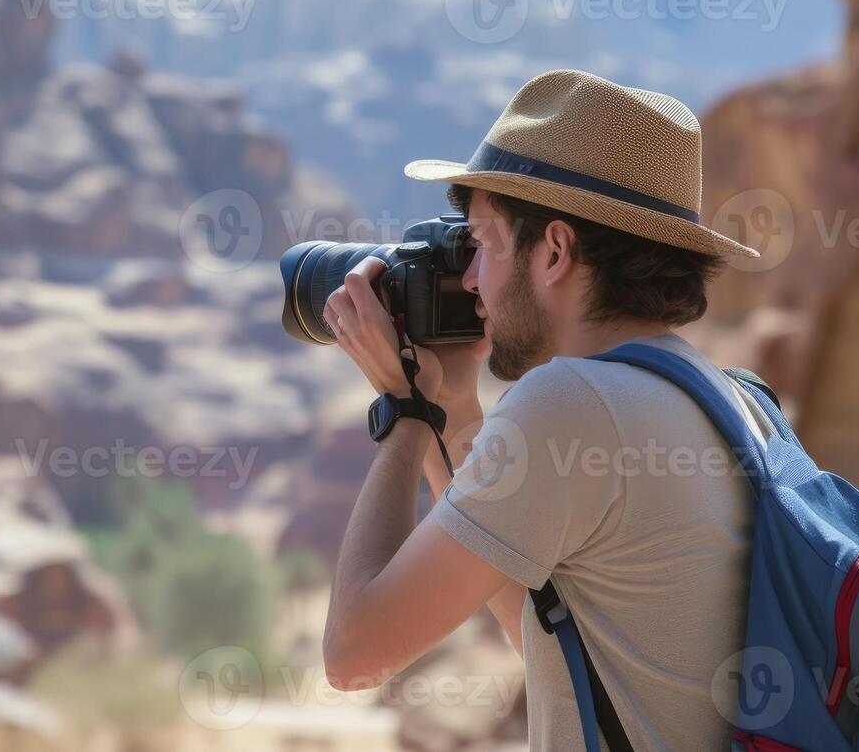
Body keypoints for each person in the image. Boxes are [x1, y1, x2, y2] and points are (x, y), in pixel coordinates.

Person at [318, 68, 776, 750]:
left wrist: (404, 413)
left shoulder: (571, 403)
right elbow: (543, 633)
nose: (469, 278)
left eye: (480, 243)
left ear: (554, 250)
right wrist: (448, 399)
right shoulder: (724, 397)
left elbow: (354, 656)